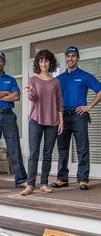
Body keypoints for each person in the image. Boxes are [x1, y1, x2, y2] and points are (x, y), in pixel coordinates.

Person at [51, 46, 101, 190]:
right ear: (65, 58)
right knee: (62, 148)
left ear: (78, 58)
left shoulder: (85, 76)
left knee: (82, 148)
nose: (70, 58)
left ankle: (83, 179)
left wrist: (89, 106)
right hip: (63, 117)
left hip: (79, 116)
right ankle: (62, 178)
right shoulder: (59, 79)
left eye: (73, 56)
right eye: (68, 56)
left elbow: (100, 91)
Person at [20, 49, 63, 196]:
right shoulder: (33, 80)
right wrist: (31, 92)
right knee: (34, 153)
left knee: (48, 153)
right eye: (41, 61)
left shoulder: (56, 82)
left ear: (50, 62)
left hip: (53, 121)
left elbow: (59, 103)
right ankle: (30, 185)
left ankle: (43, 183)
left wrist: (61, 121)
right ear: (38, 63)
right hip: (36, 119)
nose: (44, 63)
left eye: (46, 60)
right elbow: (33, 98)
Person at [0, 51, 27, 190]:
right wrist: (6, 93)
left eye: (0, 60)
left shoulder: (11, 79)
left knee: (14, 146)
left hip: (9, 116)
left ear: (4, 63)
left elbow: (16, 97)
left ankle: (20, 180)